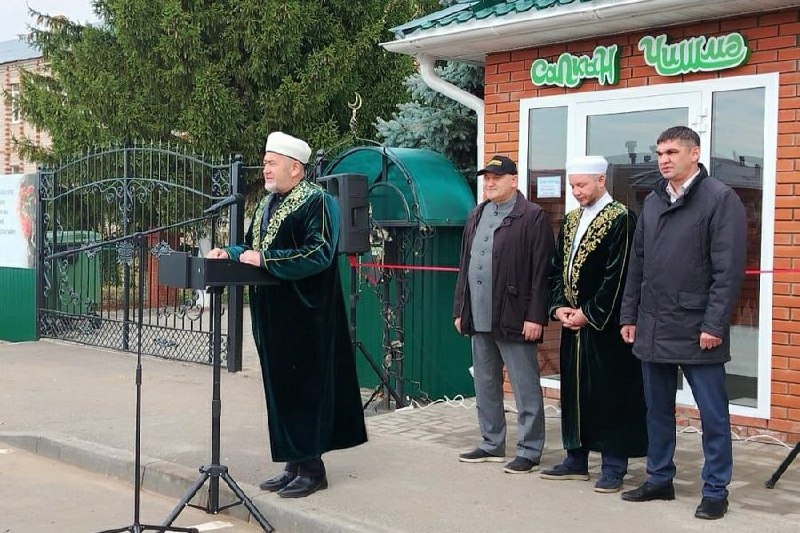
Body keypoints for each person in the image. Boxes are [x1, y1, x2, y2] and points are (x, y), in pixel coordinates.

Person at [207, 131, 367, 498]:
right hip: (272, 315)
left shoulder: (319, 202)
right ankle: (293, 464)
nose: (264, 168)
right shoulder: (268, 204)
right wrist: (229, 253)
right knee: (281, 389)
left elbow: (319, 253)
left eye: (271, 162)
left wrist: (265, 259)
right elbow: (251, 246)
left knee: (304, 390)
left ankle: (312, 470)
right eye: (265, 162)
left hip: (307, 316)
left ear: (295, 168)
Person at [619, 126, 746, 519]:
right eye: (660, 153)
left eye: (672, 152)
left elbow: (728, 271)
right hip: (654, 325)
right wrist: (629, 315)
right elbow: (637, 263)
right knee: (657, 410)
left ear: (695, 154)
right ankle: (659, 479)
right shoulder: (653, 200)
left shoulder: (720, 199)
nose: (664, 160)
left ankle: (715, 490)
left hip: (697, 329)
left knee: (713, 415)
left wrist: (714, 324)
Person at [541, 155, 647, 493]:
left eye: (582, 185)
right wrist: (558, 307)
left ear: (601, 181)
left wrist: (589, 312)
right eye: (572, 186)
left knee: (610, 393)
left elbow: (618, 275)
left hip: (607, 326)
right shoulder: (571, 219)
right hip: (572, 324)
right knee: (574, 391)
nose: (576, 192)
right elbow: (557, 267)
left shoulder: (622, 218)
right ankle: (576, 458)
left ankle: (614, 466)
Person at [452, 155, 554, 474]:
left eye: (496, 178)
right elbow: (465, 265)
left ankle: (530, 449)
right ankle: (491, 442)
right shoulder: (476, 214)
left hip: (516, 316)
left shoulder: (533, 216)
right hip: (478, 314)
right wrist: (460, 309)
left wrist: (535, 316)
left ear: (513, 180)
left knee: (524, 386)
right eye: (487, 178)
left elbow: (542, 272)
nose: (490, 183)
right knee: (485, 382)